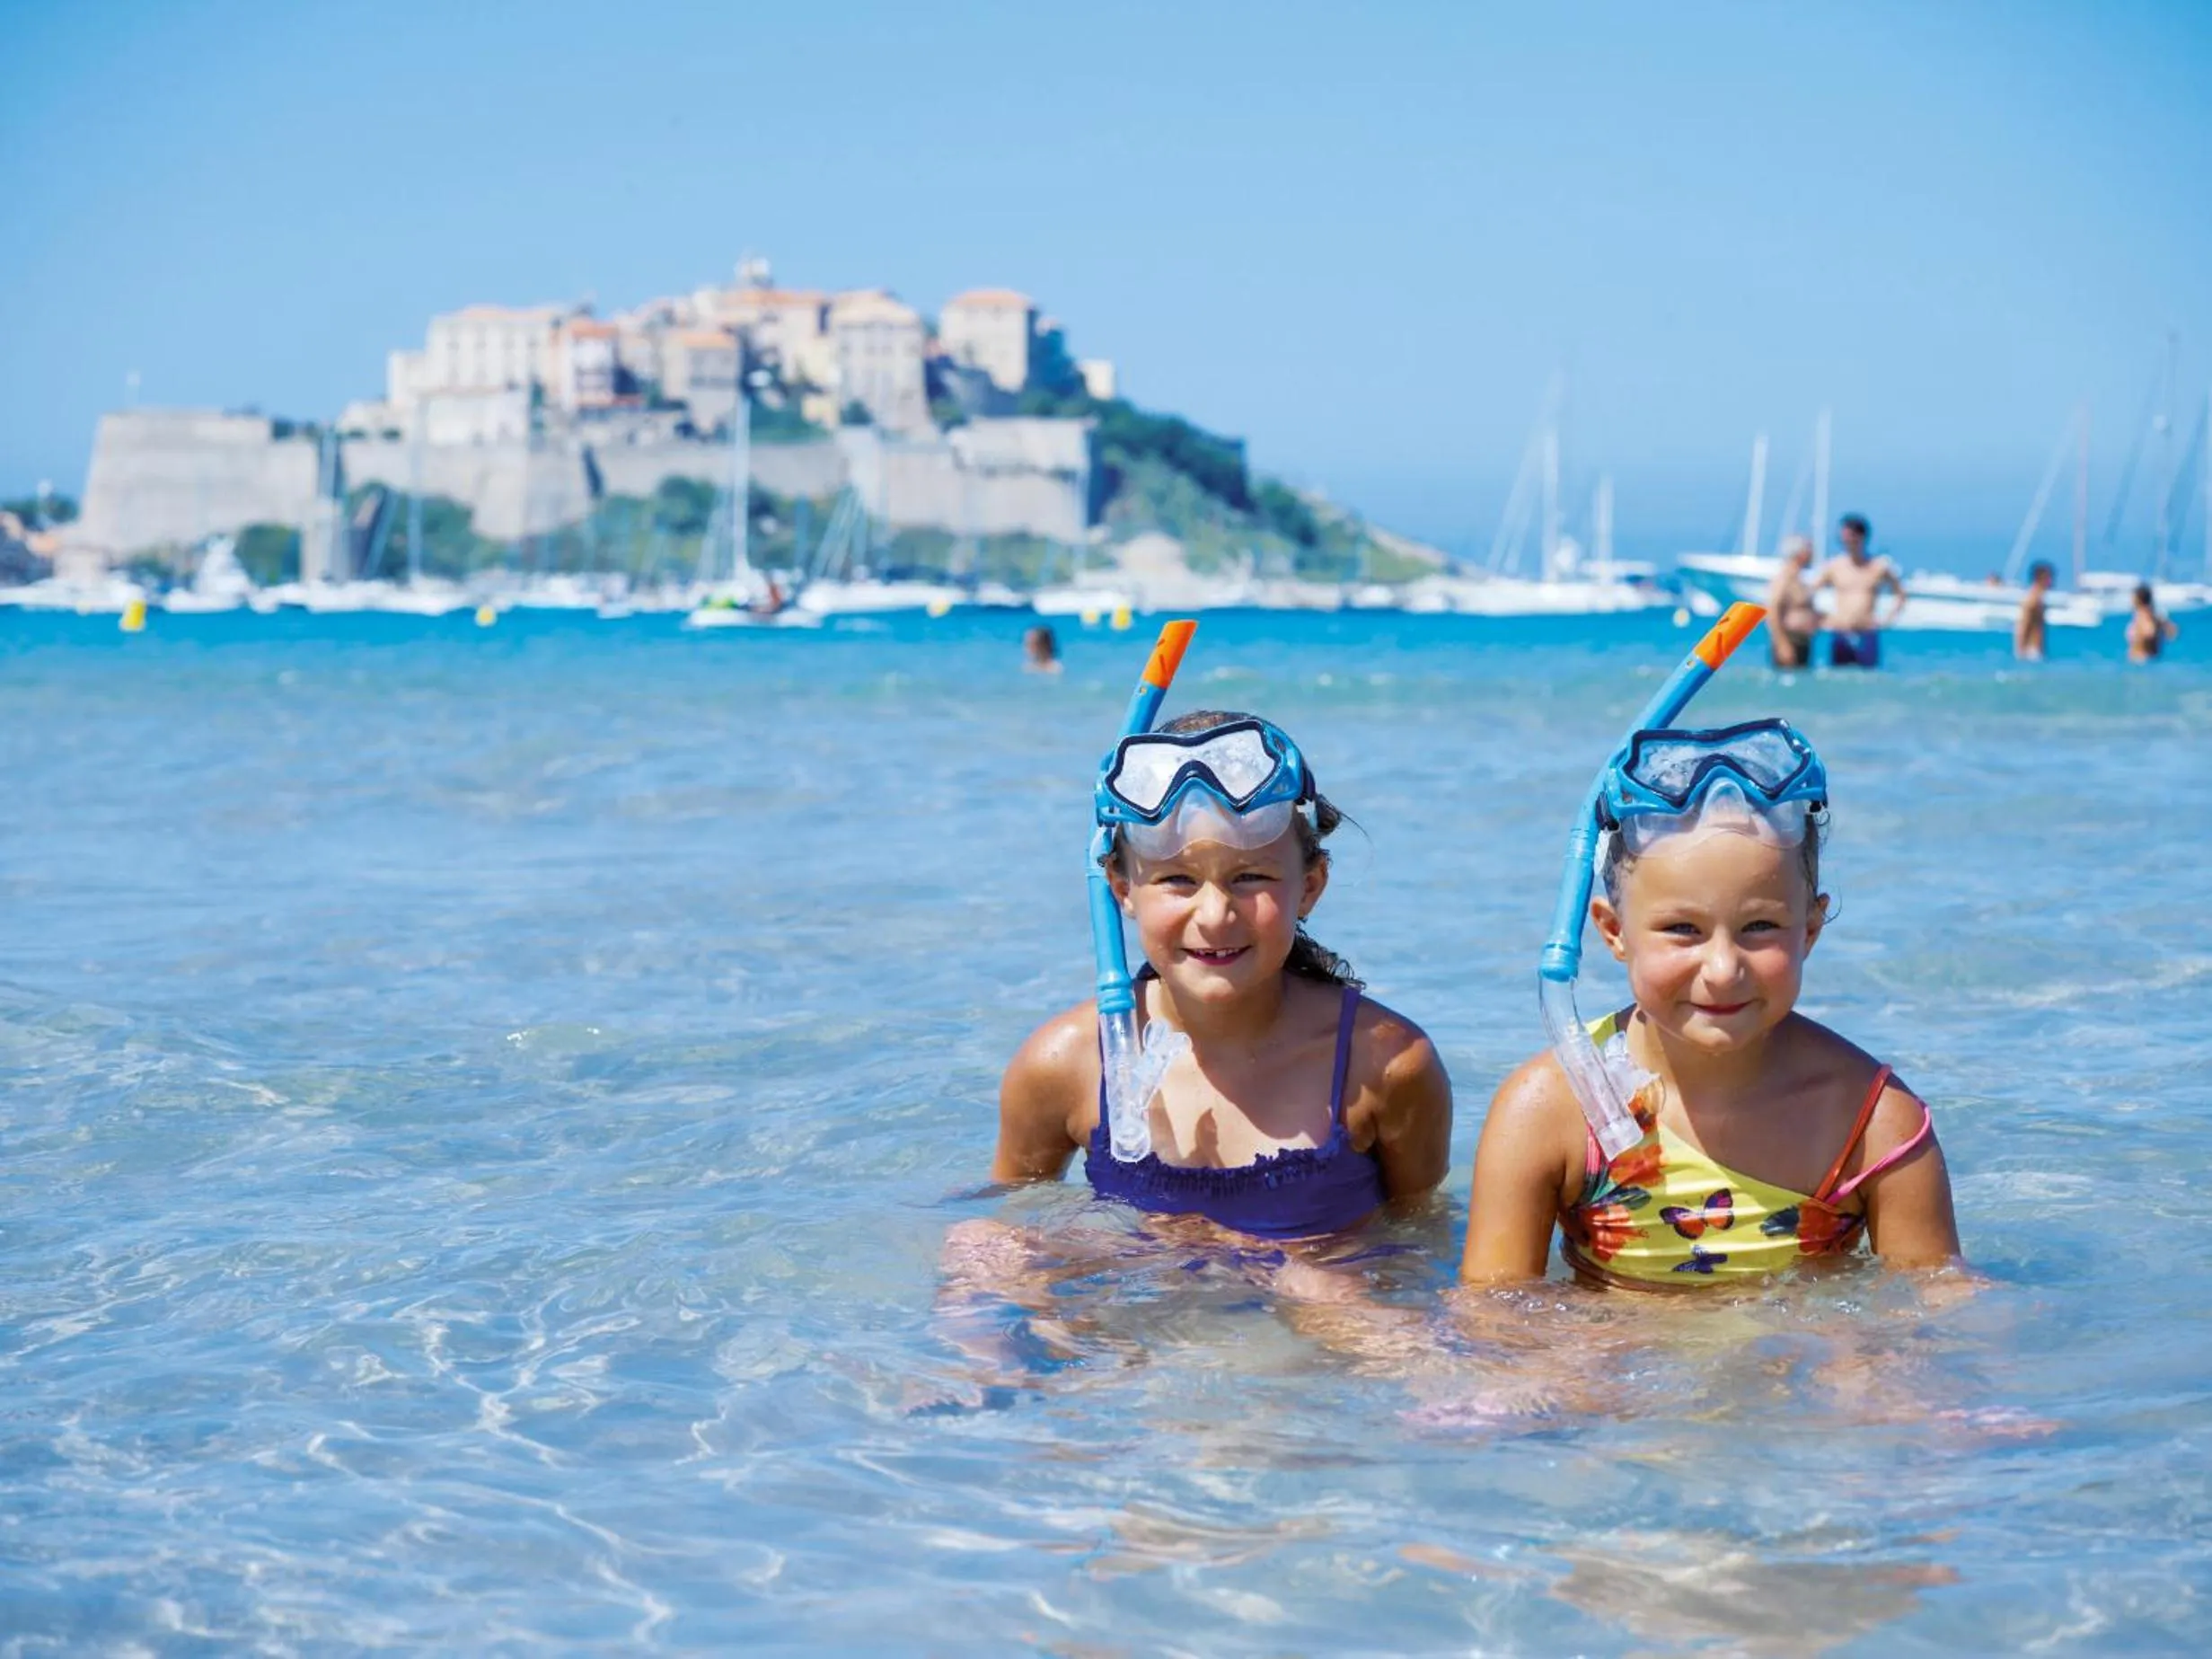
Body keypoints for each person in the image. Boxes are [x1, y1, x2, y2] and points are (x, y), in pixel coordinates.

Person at [1462, 719, 1961, 1286]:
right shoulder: (1551, 1110)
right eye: (1682, 929)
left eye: (1759, 926)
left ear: (1811, 930)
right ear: (1613, 931)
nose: (1723, 971)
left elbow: (1931, 1325)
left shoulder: (1872, 1124)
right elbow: (1493, 1325)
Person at [994, 710, 1453, 1239]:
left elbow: (1421, 1240)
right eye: (1177, 880)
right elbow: (1010, 1221)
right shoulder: (1064, 1064)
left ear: (1309, 886)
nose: (1214, 916)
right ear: (1122, 890)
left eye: (1250, 877)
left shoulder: (1386, 1065)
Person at [1809, 514, 1906, 668]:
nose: (1846, 541)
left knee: (1867, 678)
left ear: (1860, 536)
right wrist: (1820, 618)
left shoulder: (1878, 566)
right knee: (1838, 678)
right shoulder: (1834, 566)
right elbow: (1809, 593)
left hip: (1867, 631)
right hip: (1841, 631)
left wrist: (1889, 619)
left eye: (1849, 536)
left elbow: (1901, 593)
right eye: (1843, 537)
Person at [1764, 536, 1820, 669]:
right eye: (1809, 550)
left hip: (1803, 641)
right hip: (1789, 640)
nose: (1812, 554)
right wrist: (1782, 644)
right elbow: (1772, 612)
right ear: (1800, 554)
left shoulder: (1799, 578)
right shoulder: (1784, 578)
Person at [2127, 583, 2179, 663]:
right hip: (2149, 660)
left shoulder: (2144, 615)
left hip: (2143, 660)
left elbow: (2150, 631)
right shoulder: (2153, 615)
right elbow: (2173, 632)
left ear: (2138, 599)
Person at [2014, 561, 2055, 661]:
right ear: (2041, 579)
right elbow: (2023, 625)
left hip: (2035, 651)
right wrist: (2021, 650)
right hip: (2031, 652)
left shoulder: (2038, 598)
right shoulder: (2033, 600)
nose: (2051, 581)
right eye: (2049, 578)